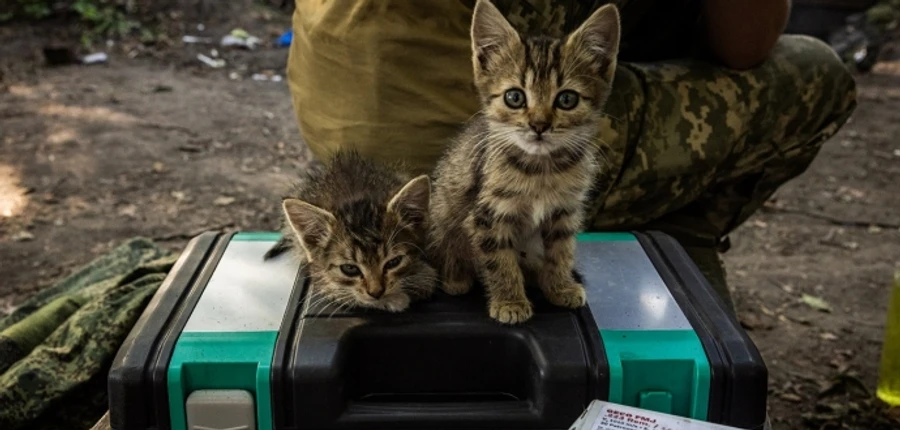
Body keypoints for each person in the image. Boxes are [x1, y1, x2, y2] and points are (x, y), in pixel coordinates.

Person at [284, 0, 857, 265]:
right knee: (817, 73)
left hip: (341, 106)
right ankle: (667, 251)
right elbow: (746, 42)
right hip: (466, 144)